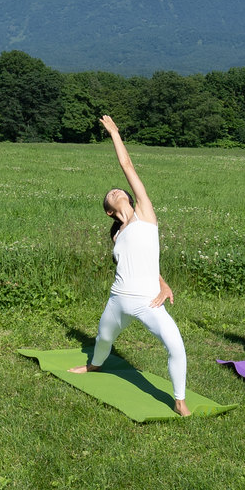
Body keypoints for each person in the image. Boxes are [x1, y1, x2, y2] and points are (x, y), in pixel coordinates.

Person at [71, 115, 189, 416]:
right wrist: (162, 279)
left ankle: (179, 400)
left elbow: (128, 167)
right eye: (111, 195)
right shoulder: (118, 235)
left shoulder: (145, 215)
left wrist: (114, 133)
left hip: (147, 302)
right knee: (104, 338)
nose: (117, 191)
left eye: (119, 190)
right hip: (117, 299)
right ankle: (94, 365)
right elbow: (143, 260)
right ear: (109, 211)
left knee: (175, 345)